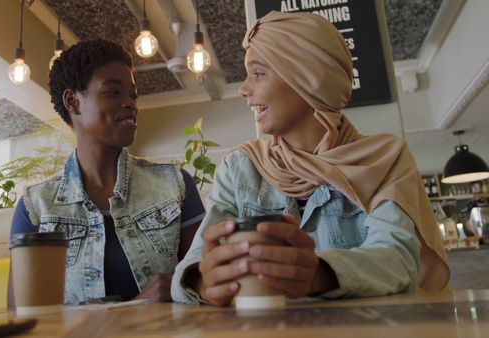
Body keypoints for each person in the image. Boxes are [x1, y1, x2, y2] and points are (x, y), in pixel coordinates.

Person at [171, 11, 449, 306]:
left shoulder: (385, 160)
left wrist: (319, 275)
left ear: (307, 77)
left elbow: (400, 260)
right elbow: (186, 273)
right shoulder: (240, 167)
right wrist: (203, 280)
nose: (243, 89)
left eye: (258, 73)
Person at [10, 39, 204, 305]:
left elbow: (204, 285)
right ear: (73, 102)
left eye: (133, 96)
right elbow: (24, 317)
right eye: (113, 92)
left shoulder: (175, 185)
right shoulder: (36, 208)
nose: (130, 104)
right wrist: (133, 310)